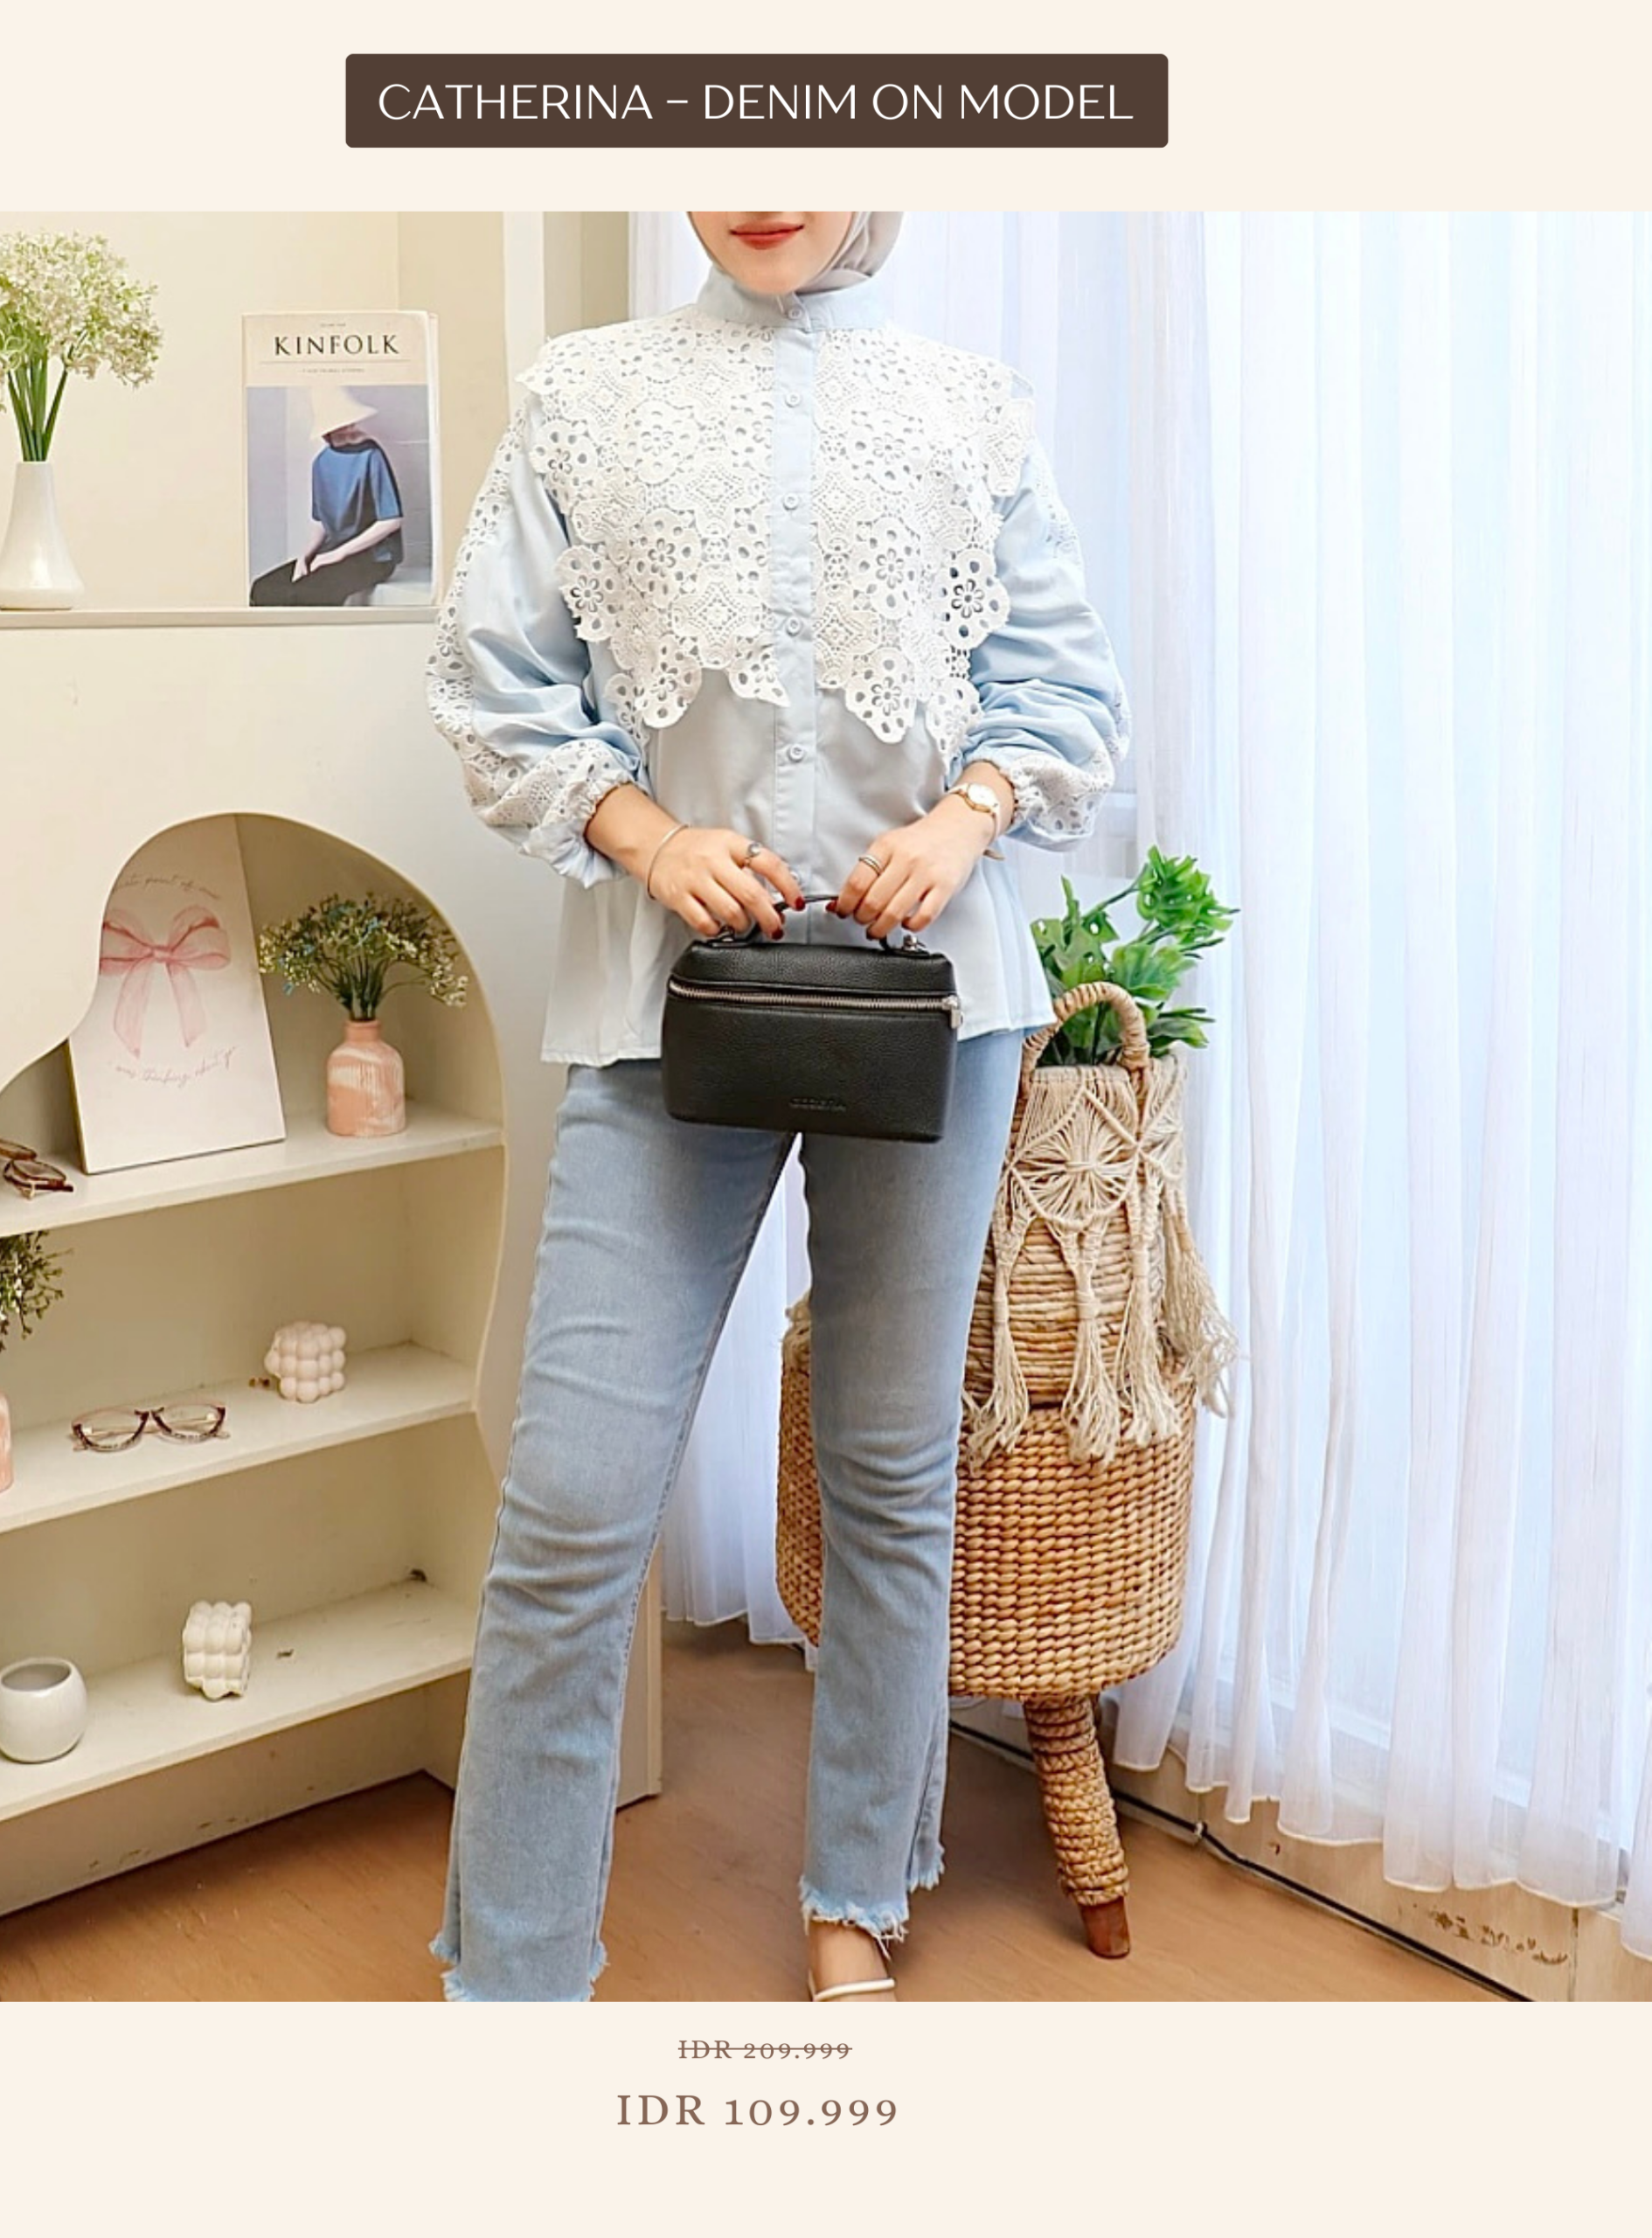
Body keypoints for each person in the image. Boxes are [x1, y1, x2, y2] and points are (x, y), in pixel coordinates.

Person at [424, 211, 1129, 2002]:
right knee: (573, 1506)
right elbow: (498, 687)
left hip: (935, 1009)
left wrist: (961, 818)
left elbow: (1064, 694)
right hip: (663, 1007)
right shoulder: (584, 397)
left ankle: (856, 1889)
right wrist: (647, 835)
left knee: (887, 1472)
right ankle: (511, 1975)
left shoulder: (968, 405)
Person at [248, 386, 405, 607]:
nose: (350, 428)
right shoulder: (321, 463)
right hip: (332, 551)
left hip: (374, 558)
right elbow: (322, 522)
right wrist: (306, 556)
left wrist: (338, 555)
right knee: (263, 588)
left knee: (306, 593)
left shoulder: (371, 454)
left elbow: (391, 520)